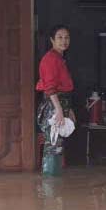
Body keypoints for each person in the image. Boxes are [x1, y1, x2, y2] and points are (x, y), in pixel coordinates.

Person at [36, 25, 75, 175]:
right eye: (59, 37)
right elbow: (50, 88)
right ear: (52, 40)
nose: (64, 41)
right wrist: (59, 110)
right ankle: (49, 189)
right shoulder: (50, 59)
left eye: (66, 37)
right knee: (53, 145)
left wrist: (68, 109)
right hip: (53, 105)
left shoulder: (59, 58)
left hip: (61, 104)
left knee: (57, 145)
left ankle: (54, 187)